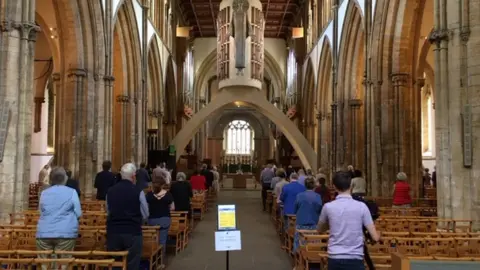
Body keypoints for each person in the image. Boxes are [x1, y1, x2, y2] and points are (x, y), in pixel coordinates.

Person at [317, 171, 380, 270]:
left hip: (335, 256)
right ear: (351, 186)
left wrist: (332, 222)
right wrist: (378, 234)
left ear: (334, 187)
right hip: (355, 257)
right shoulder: (361, 207)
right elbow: (375, 237)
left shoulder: (328, 207)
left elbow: (320, 229)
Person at [36, 167, 82, 270]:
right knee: (63, 264)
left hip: (44, 232)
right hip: (65, 232)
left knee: (44, 264)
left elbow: (40, 211)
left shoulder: (44, 193)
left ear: (51, 179)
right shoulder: (72, 192)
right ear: (65, 179)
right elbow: (78, 213)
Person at [106, 163, 149, 270]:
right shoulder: (138, 192)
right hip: (132, 232)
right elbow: (145, 214)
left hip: (114, 232)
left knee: (115, 263)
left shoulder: (110, 191)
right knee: (132, 263)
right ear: (133, 176)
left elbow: (108, 211)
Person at [146, 176, 173, 267]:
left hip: (152, 220)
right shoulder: (168, 194)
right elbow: (173, 208)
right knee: (162, 241)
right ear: (163, 185)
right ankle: (160, 262)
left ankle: (152, 259)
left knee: (153, 240)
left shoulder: (149, 195)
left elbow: (146, 209)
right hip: (164, 219)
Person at [293, 177, 322, 253]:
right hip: (313, 223)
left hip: (301, 223)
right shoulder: (317, 196)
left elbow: (295, 209)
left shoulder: (299, 196)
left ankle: (297, 256)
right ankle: (313, 255)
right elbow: (319, 209)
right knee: (313, 244)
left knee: (299, 243)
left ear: (305, 185)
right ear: (314, 186)